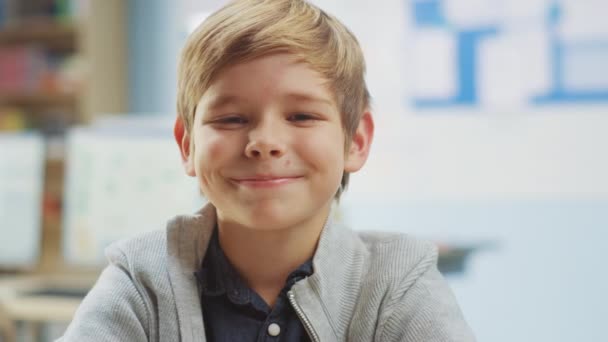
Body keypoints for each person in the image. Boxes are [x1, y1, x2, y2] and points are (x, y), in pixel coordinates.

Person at [59, 0, 475, 341]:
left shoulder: (394, 281)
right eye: (231, 120)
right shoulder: (142, 279)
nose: (264, 142)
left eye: (301, 116)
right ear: (187, 144)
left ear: (357, 140)